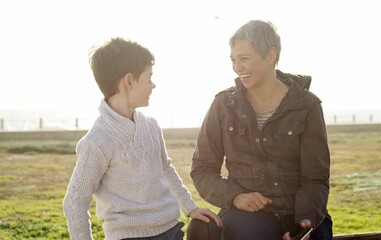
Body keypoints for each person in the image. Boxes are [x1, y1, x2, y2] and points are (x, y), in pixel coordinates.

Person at [63, 37, 222, 240]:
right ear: (129, 81)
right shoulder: (97, 141)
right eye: (149, 78)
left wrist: (189, 207)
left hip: (171, 231)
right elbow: (75, 202)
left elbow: (166, 169)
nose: (153, 85)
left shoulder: (151, 126)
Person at [188, 20, 333, 240]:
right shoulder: (223, 105)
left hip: (300, 211)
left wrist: (305, 221)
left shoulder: (307, 106)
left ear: (270, 55)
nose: (237, 67)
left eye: (244, 59)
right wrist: (236, 196)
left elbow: (315, 179)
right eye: (233, 60)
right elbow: (202, 170)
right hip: (245, 214)